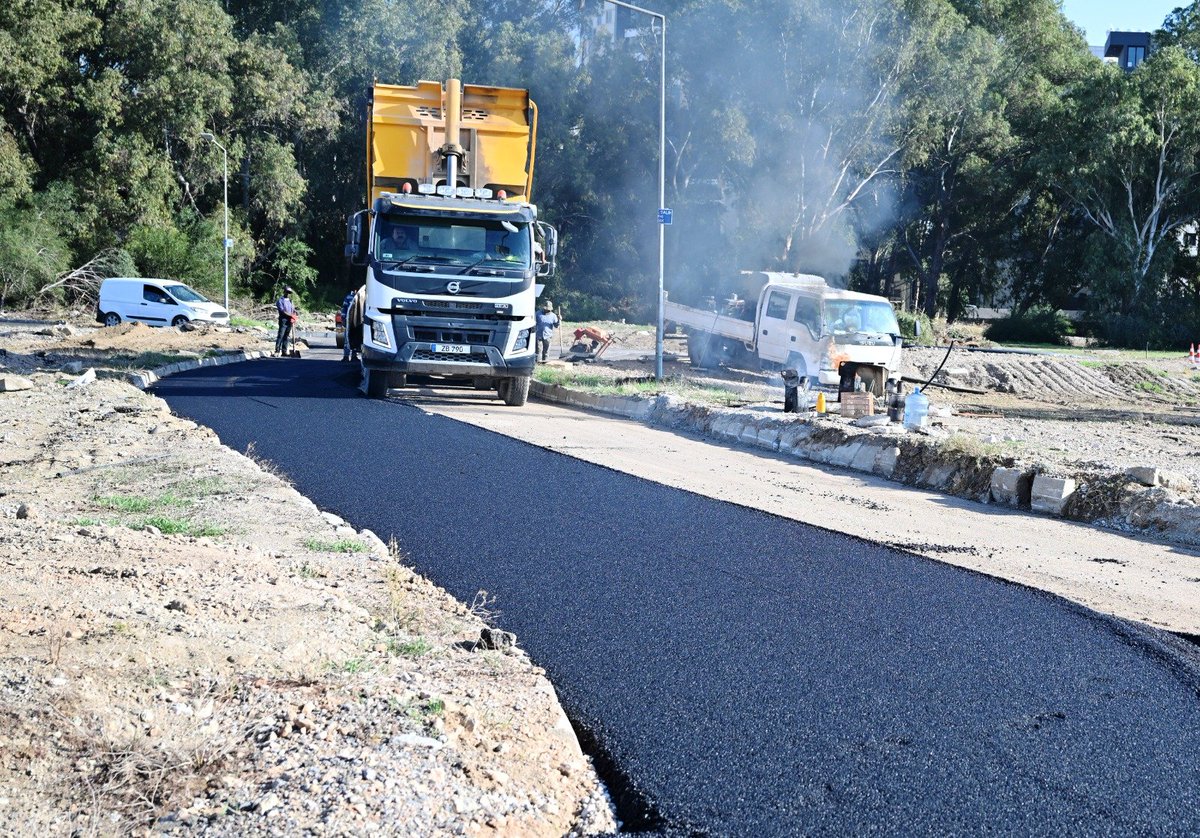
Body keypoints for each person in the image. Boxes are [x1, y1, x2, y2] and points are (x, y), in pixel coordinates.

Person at [275, 286, 297, 356]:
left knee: (286, 336)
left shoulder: (291, 301)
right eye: (287, 292)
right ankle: (277, 351)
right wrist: (291, 315)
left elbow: (293, 310)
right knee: (280, 335)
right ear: (284, 291)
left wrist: (295, 314)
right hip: (283, 320)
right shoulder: (280, 300)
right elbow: (282, 311)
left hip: (289, 321)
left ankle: (284, 351)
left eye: (289, 292)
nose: (288, 294)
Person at [340, 286, 358, 362]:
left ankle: (354, 356)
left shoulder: (362, 297)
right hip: (348, 321)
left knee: (356, 338)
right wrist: (343, 319)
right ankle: (346, 356)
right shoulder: (348, 297)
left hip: (357, 322)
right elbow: (344, 308)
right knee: (347, 339)